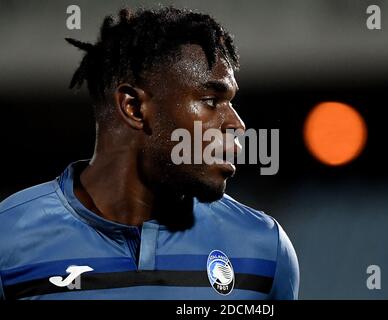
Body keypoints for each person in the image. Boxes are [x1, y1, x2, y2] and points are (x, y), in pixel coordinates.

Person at [0, 7, 299, 300]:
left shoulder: (263, 249)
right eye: (210, 100)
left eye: (231, 102)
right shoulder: (8, 238)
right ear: (133, 107)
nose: (237, 124)